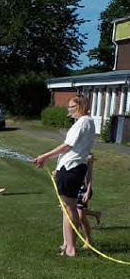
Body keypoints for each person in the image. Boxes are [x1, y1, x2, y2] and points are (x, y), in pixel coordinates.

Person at [34, 94, 96, 258]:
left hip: (71, 169)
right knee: (67, 208)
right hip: (73, 168)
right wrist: (56, 165)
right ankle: (67, 244)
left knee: (69, 209)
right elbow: (72, 149)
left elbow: (67, 146)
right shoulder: (88, 122)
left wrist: (44, 157)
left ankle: (70, 249)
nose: (69, 110)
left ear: (80, 106)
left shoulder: (82, 122)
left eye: (72, 107)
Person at [76, 153, 102, 249]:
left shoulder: (89, 157)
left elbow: (90, 175)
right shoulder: (72, 153)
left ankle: (89, 240)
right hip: (72, 186)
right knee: (75, 213)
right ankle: (95, 214)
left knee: (80, 216)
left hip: (83, 189)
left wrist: (88, 191)